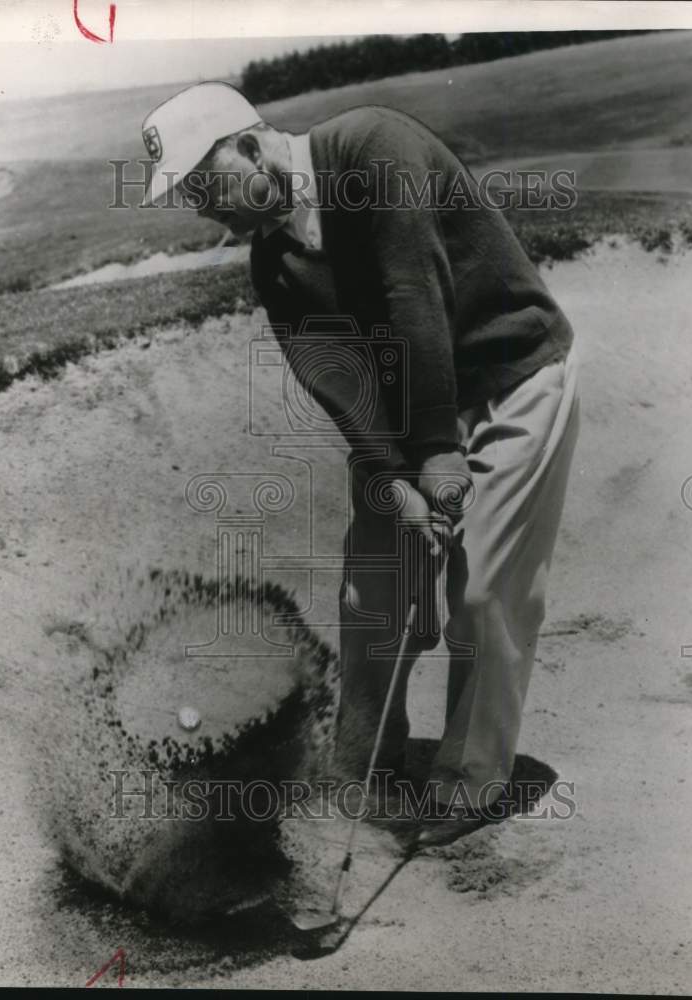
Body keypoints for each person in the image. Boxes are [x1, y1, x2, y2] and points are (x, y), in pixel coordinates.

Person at [141, 82, 580, 847]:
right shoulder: (274, 261)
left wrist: (438, 451)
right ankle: (364, 762)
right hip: (416, 409)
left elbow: (415, 294)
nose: (207, 207)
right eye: (191, 195)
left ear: (251, 145)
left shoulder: (372, 147)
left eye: (208, 184)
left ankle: (469, 778)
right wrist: (392, 479)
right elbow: (339, 383)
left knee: (484, 588)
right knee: (374, 585)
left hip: (512, 375)